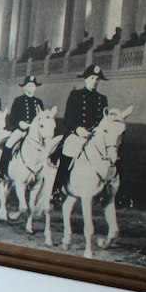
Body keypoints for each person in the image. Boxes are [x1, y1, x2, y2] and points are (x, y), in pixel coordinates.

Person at [51, 64, 111, 204]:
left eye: (97, 79)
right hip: (77, 133)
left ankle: (106, 190)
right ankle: (57, 189)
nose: (94, 81)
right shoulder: (76, 95)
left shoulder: (102, 99)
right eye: (92, 78)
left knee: (109, 154)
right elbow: (68, 118)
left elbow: (104, 121)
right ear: (86, 79)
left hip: (95, 136)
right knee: (68, 151)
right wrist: (78, 129)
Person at [0, 75, 46, 181]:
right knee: (8, 144)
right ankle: (1, 172)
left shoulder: (39, 102)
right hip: (20, 131)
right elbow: (12, 117)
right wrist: (20, 123)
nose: (31, 88)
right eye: (29, 85)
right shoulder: (18, 100)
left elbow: (42, 119)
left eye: (33, 86)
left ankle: (42, 174)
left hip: (34, 133)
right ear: (24, 87)